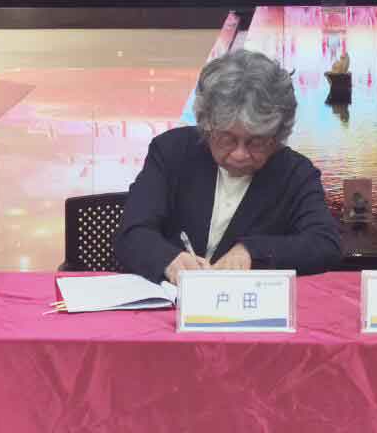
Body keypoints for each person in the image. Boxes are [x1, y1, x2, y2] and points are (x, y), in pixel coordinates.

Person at [116, 49, 341, 284]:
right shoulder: (171, 152)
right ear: (206, 126)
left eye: (256, 141)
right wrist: (169, 260)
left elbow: (325, 244)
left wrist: (252, 252)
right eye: (227, 139)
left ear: (276, 136)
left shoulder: (295, 173)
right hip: (171, 299)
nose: (240, 154)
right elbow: (131, 233)